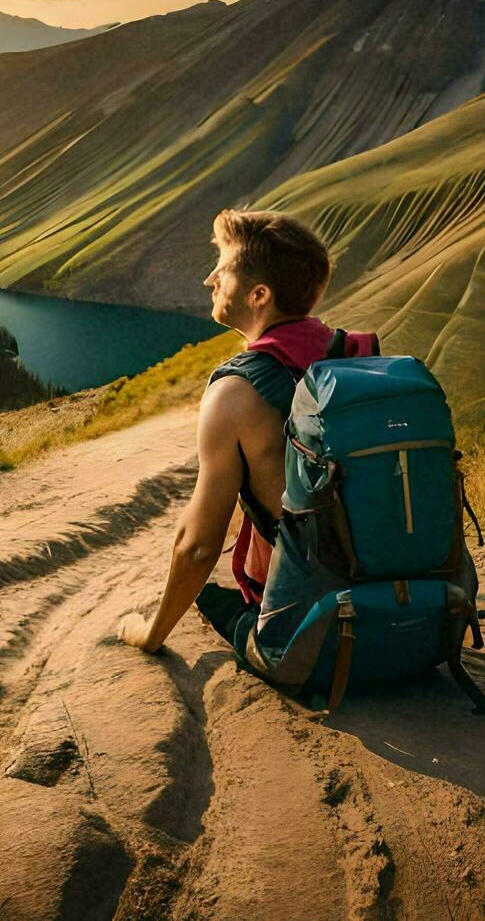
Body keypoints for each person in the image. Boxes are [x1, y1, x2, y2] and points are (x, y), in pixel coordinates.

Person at [117, 208, 348, 658]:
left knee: (207, 591)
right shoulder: (348, 355)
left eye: (222, 270)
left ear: (259, 294)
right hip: (403, 602)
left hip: (314, 636)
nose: (209, 280)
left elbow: (199, 546)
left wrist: (150, 634)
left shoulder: (236, 392)